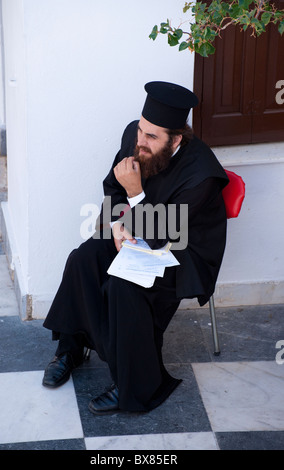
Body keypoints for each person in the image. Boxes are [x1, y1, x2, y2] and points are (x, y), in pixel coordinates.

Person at [42, 81, 229, 415]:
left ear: (177, 139)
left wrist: (137, 193)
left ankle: (136, 384)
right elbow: (114, 185)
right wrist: (116, 225)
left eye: (152, 137)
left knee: (123, 286)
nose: (140, 142)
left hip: (183, 252)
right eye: (141, 131)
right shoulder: (136, 136)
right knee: (83, 258)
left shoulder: (202, 175)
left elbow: (164, 236)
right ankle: (72, 347)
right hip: (136, 232)